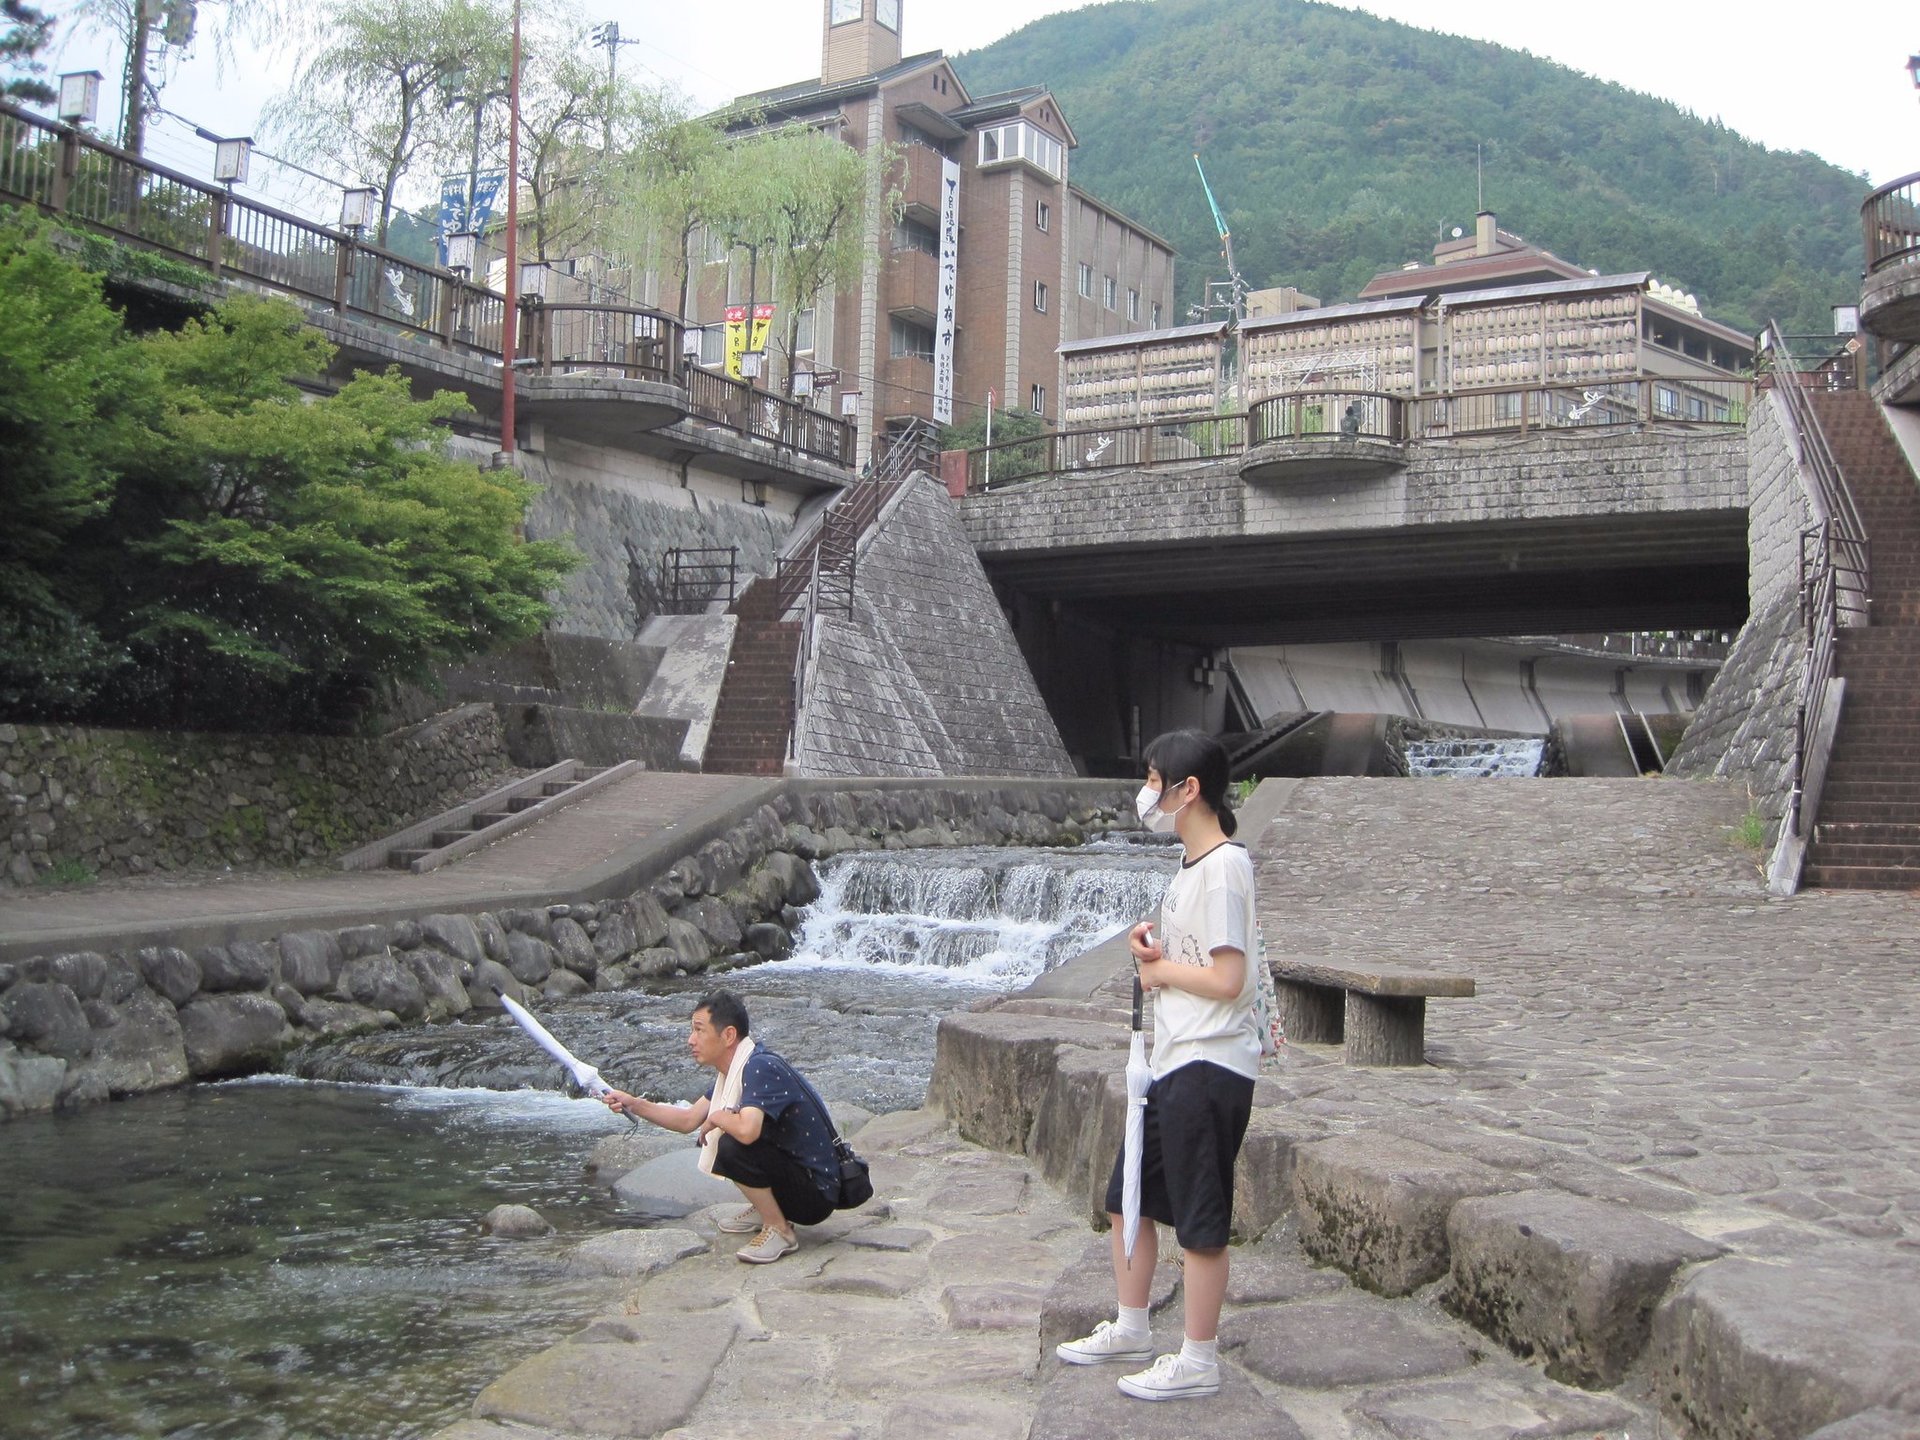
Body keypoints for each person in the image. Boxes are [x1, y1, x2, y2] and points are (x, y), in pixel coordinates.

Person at [1055, 729, 1261, 1401]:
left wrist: (1161, 969)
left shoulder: (1226, 865)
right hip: (1175, 1063)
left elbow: (1229, 979)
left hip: (1208, 1062)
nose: (1147, 793)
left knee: (1200, 1217)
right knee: (1128, 1198)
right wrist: (1156, 952)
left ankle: (1198, 1360)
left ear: (1188, 789)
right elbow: (1198, 962)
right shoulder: (1191, 868)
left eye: (1154, 779)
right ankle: (1132, 1325)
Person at [600, 989, 839, 1265]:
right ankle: (766, 1209)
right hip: (800, 1181)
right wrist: (634, 1104)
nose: (691, 1040)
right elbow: (688, 1119)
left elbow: (747, 1131)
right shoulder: (733, 1072)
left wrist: (716, 1118)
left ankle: (780, 1229)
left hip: (817, 1194)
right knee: (729, 1132)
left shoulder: (759, 1068)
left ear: (728, 1035)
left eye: (699, 1030)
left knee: (731, 1142)